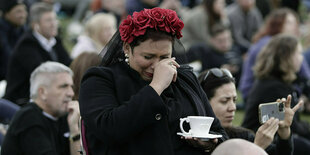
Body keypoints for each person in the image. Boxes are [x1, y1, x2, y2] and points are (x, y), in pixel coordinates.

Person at [79, 7, 228, 154]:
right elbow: (109, 129)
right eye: (148, 57)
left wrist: (208, 144)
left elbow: (217, 130)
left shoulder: (185, 79)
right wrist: (156, 86)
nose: (157, 66)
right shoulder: (100, 79)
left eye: (164, 57)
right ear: (126, 48)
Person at [198, 68, 301, 155]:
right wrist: (257, 147)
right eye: (224, 101)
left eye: (234, 100)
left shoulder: (243, 136)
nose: (233, 107)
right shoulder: (196, 141)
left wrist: (284, 131)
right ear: (204, 103)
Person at [242, 34, 310, 155]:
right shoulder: (274, 87)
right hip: (259, 141)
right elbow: (291, 126)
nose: (301, 58)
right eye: (298, 53)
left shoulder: (277, 82)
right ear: (286, 57)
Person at [1, 61, 80, 155]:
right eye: (63, 87)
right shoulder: (28, 119)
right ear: (42, 92)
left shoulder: (63, 115)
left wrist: (74, 130)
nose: (71, 93)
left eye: (71, 87)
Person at [4, 2, 72, 106]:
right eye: (48, 20)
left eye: (54, 19)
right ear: (35, 25)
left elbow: (69, 64)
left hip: (48, 97)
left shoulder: (55, 40)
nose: (54, 24)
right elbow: (43, 74)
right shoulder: (26, 45)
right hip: (22, 102)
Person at [239, 8, 310, 102]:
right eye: (289, 22)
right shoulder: (268, 43)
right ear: (277, 24)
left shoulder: (290, 44)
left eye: (294, 22)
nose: (294, 26)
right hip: (258, 93)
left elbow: (305, 74)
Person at [0, 0, 28, 80]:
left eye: (24, 10)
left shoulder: (24, 30)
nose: (23, 15)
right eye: (18, 11)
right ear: (7, 14)